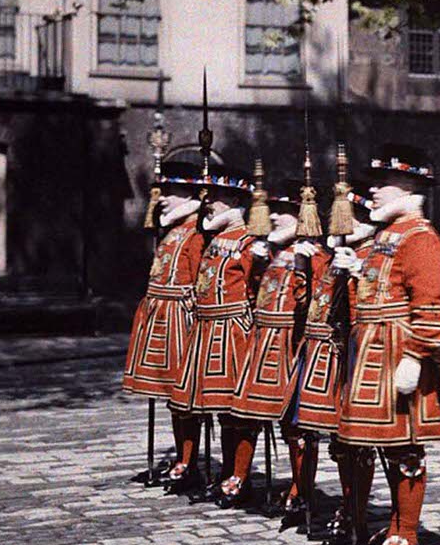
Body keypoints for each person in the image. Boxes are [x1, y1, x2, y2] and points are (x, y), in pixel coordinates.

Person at [337, 144, 440, 545]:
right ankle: (388, 524)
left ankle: (406, 533)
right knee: (377, 443)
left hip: (398, 352)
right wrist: (352, 274)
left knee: (405, 446)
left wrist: (417, 355)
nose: (375, 191)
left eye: (384, 183)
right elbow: (369, 295)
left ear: (410, 187)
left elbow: (433, 304)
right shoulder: (385, 235)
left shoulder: (421, 237)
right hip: (369, 349)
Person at [229, 181, 329, 517]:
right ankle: (239, 477)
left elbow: (315, 301)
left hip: (291, 341)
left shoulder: (314, 255)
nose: (272, 217)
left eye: (281, 212)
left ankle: (302, 486)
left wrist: (306, 271)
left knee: (294, 423)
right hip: (264, 340)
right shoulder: (271, 253)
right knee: (249, 412)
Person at [288, 185, 378, 545]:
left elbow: (368, 312)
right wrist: (302, 269)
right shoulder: (331, 257)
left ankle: (356, 513)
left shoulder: (371, 255)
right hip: (321, 359)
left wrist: (357, 276)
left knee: (354, 442)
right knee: (331, 442)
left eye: (352, 217)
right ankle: (343, 507)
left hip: (351, 358)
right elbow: (306, 304)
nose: (342, 224)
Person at [168, 164, 260, 505]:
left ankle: (240, 475)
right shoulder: (211, 240)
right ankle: (225, 475)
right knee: (214, 407)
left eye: (218, 198)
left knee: (236, 410)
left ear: (236, 202)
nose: (209, 204)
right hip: (206, 330)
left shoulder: (249, 242)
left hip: (234, 331)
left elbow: (257, 288)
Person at [122, 160, 206, 493]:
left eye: (172, 192)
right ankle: (182, 460)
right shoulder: (172, 230)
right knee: (168, 394)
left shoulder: (196, 233)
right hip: (160, 314)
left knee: (183, 394)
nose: (164, 198)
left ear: (188, 194)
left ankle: (189, 459)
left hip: (181, 318)